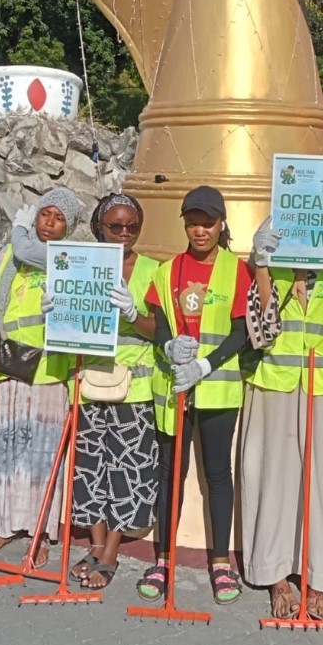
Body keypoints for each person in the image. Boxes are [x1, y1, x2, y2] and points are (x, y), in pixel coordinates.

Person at [238, 217, 323, 620]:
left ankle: (317, 582)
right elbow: (261, 332)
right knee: (273, 483)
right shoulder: (272, 263)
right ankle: (276, 576)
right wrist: (260, 262)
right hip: (275, 382)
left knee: (322, 488)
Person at [136, 185, 252, 605]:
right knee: (171, 473)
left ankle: (220, 560)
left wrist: (206, 364)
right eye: (193, 222)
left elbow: (242, 332)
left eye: (208, 222)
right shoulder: (167, 271)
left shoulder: (235, 270)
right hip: (174, 389)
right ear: (184, 223)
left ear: (222, 225)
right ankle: (163, 558)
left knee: (218, 475)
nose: (200, 230)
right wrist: (167, 346)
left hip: (217, 390)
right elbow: (161, 321)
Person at [0, 187, 85, 560]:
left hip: (47, 374)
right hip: (7, 367)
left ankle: (39, 532)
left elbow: (26, 250)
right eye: (44, 213)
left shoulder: (69, 259)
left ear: (70, 226)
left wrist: (18, 233)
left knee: (40, 457)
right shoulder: (10, 254)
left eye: (58, 217)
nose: (48, 223)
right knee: (3, 451)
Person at [66, 194, 161, 590]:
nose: (124, 234)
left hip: (134, 388)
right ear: (99, 227)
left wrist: (133, 315)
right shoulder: (82, 265)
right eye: (115, 227)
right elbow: (71, 327)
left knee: (128, 471)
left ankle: (111, 552)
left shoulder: (154, 269)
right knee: (90, 470)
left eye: (132, 227)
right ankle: (96, 541)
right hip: (90, 382)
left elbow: (160, 330)